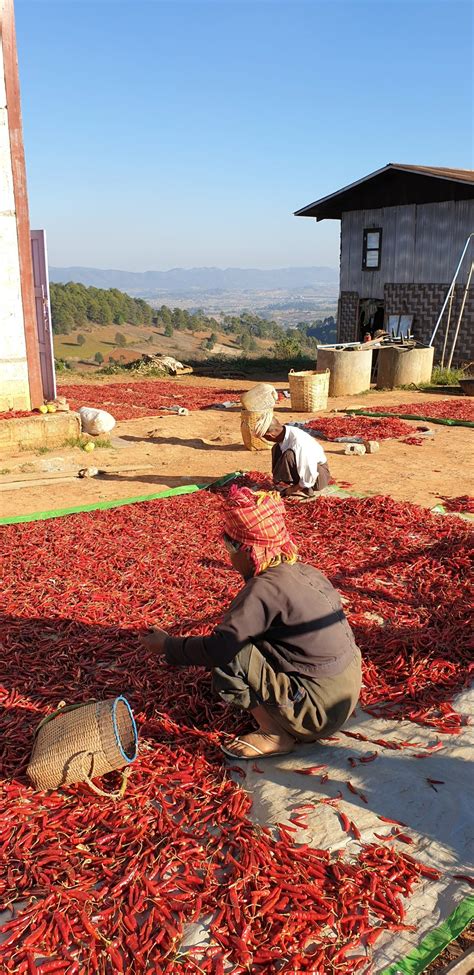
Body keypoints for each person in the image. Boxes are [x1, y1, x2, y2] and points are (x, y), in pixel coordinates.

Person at [140, 486, 362, 760]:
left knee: (232, 652)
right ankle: (286, 709)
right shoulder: (305, 571)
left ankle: (274, 733)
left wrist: (167, 645)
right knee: (244, 635)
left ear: (248, 550)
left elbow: (219, 650)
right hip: (347, 692)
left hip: (317, 713)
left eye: (229, 545)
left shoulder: (262, 589)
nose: (228, 555)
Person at [255, 416, 331, 499]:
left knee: (289, 455)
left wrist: (291, 490)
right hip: (308, 471)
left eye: (265, 437)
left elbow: (309, 473)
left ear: (271, 435)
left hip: (318, 477)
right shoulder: (284, 433)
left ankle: (306, 490)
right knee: (276, 448)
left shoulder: (299, 443)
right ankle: (287, 483)